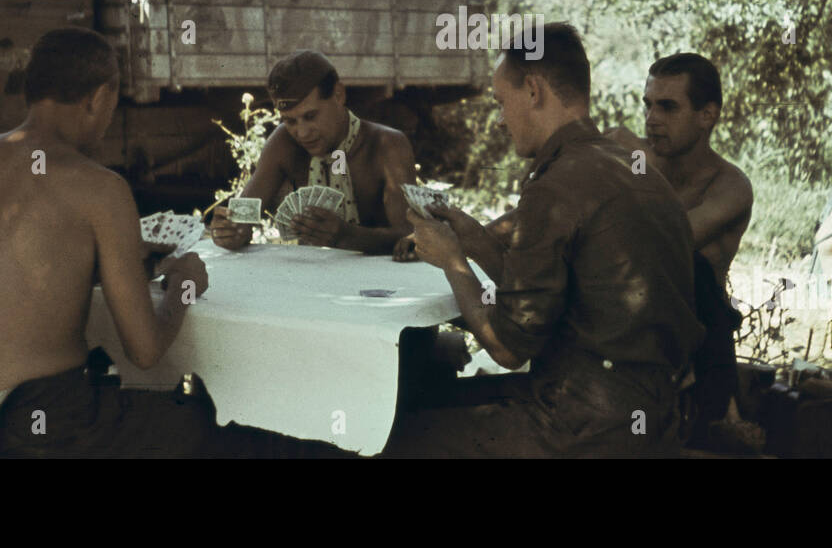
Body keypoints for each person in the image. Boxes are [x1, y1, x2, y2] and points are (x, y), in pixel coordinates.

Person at [385, 24, 705, 457]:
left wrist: (452, 262)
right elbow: (551, 298)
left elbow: (508, 347)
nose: (500, 120)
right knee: (433, 403)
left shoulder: (555, 185)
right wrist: (474, 237)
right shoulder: (632, 167)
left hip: (585, 423)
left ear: (533, 90)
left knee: (396, 435)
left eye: (501, 102)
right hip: (655, 414)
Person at [0, 27, 227, 458]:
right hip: (40, 426)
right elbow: (145, 349)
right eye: (110, 107)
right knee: (204, 425)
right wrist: (183, 285)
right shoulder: (100, 188)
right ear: (98, 98)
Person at [608, 53, 754, 430]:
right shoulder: (636, 157)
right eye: (649, 105)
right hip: (625, 345)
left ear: (707, 115)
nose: (652, 118)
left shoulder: (729, 186)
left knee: (694, 270)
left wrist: (638, 167)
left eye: (668, 107)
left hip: (699, 357)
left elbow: (668, 242)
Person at [208, 50, 418, 255]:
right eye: (290, 121)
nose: (302, 132)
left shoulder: (386, 145)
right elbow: (244, 215)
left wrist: (347, 236)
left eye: (311, 116)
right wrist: (232, 231)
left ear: (338, 94)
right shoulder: (284, 142)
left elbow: (411, 235)